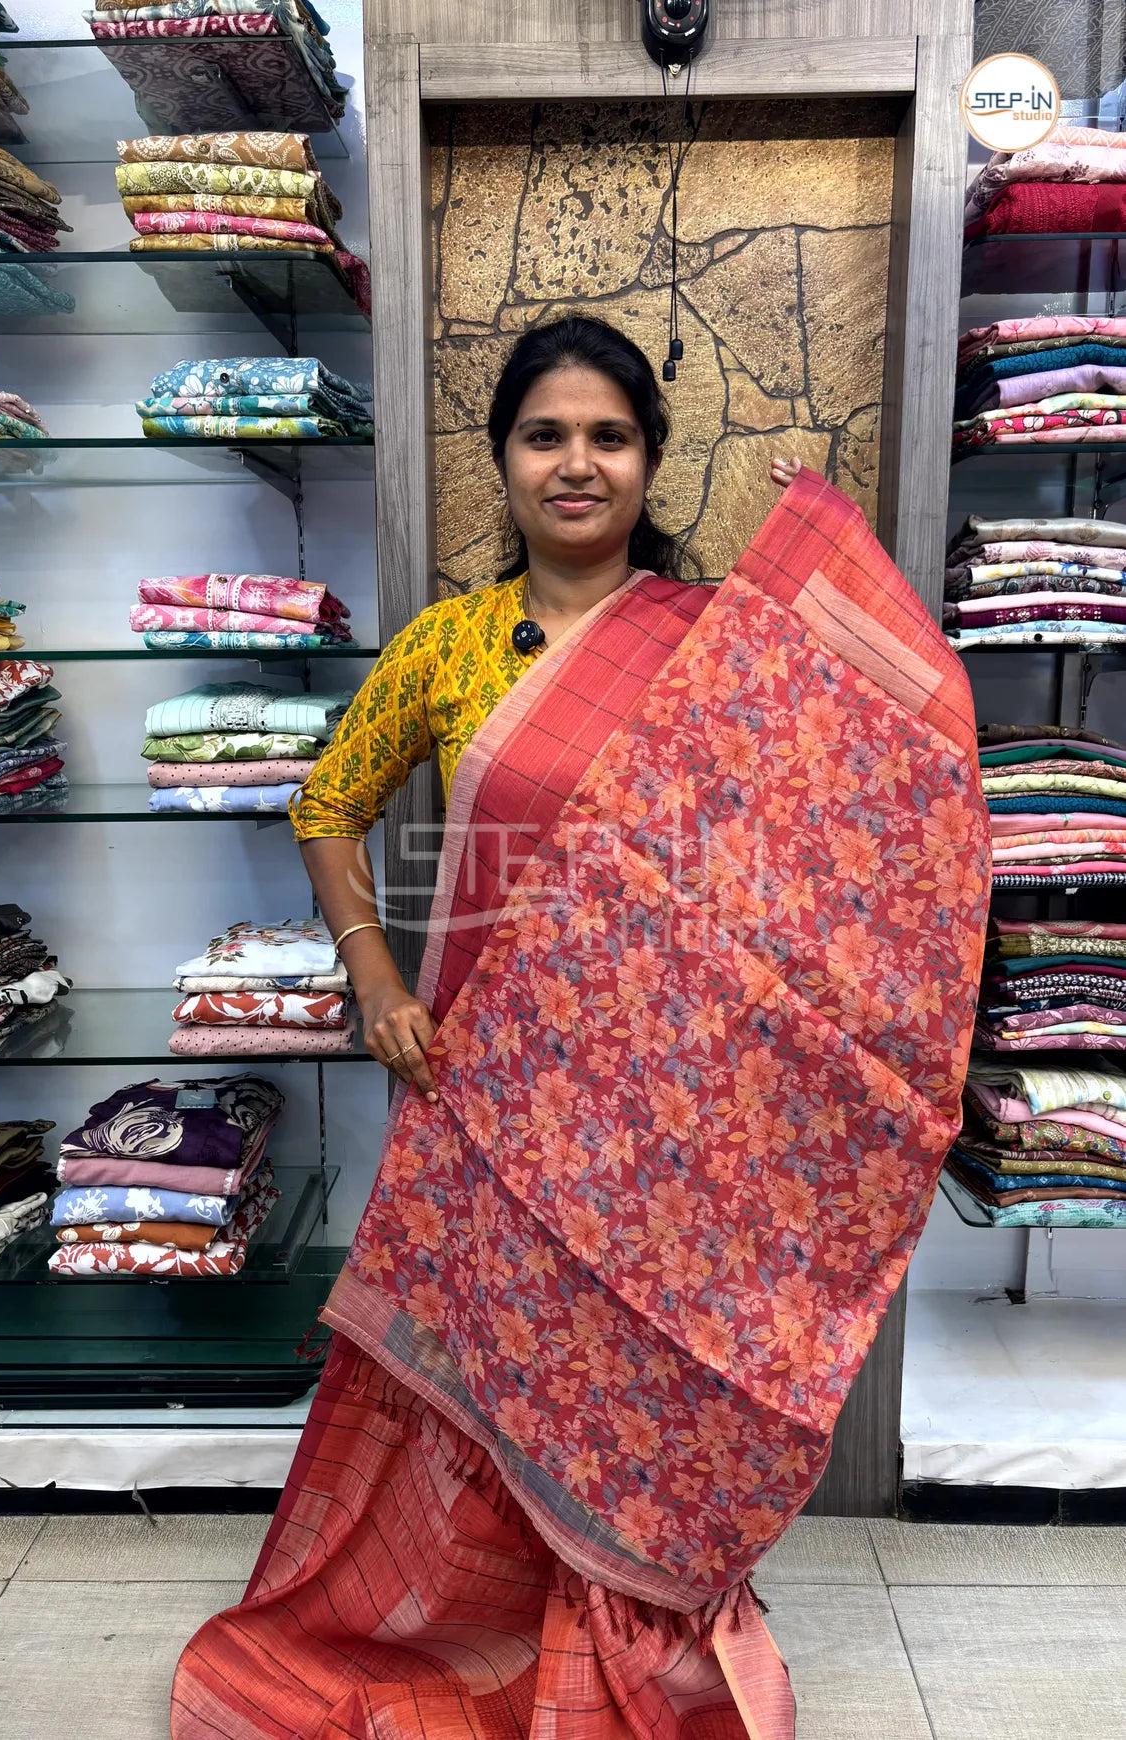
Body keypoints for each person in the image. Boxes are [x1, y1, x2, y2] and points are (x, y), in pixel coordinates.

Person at [172, 316, 988, 1739]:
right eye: (546, 434)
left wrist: (841, 577)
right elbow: (325, 806)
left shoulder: (712, 651)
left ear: (650, 461)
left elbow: (836, 807)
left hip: (664, 1113)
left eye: (608, 436)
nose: (576, 463)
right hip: (481, 1079)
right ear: (501, 459)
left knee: (626, 1377)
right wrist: (373, 977)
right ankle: (486, 1620)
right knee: (492, 1362)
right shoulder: (446, 647)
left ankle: (629, 1608)